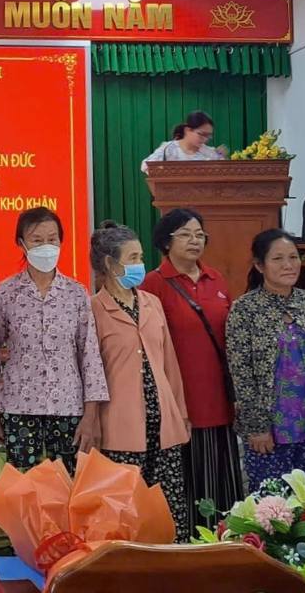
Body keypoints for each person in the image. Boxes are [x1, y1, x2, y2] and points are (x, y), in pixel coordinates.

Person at [0, 207, 107, 475]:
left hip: (67, 405)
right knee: (22, 489)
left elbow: (90, 355)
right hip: (18, 407)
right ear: (21, 244)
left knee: (66, 488)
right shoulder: (6, 293)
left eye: (52, 239)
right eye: (37, 240)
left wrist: (91, 414)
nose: (46, 246)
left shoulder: (76, 293)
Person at [141, 209, 243, 531]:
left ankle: (224, 548)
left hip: (219, 400)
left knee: (223, 484)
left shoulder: (217, 279)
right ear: (165, 241)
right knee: (185, 486)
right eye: (185, 234)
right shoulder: (154, 284)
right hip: (178, 403)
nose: (194, 240)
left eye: (199, 234)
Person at [88, 221, 191, 542]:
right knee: (123, 512)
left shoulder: (152, 303)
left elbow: (169, 362)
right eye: (132, 257)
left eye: (140, 256)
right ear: (110, 263)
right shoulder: (93, 309)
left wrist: (181, 413)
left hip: (164, 424)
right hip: (119, 427)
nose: (139, 264)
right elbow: (90, 371)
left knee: (168, 507)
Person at [227, 229, 305, 490]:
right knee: (272, 514)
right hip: (269, 433)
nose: (288, 265)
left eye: (294, 257)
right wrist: (256, 427)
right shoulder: (244, 309)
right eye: (278, 259)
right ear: (260, 265)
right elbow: (241, 374)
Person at [141, 110, 224, 173]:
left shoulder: (209, 152)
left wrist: (222, 157)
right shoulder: (169, 148)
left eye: (208, 136)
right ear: (188, 130)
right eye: (201, 134)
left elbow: (225, 170)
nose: (205, 139)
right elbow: (145, 165)